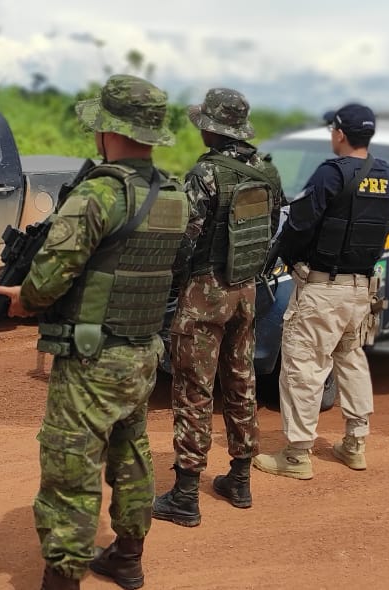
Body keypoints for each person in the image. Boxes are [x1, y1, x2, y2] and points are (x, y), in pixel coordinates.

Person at [0, 74, 191, 590]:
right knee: (131, 451)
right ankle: (127, 558)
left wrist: (25, 299)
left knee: (69, 468)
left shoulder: (96, 195)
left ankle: (63, 579)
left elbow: (50, 279)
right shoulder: (174, 194)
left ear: (108, 132)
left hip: (91, 358)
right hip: (144, 350)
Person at [252, 103, 389, 480]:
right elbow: (387, 226)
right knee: (350, 359)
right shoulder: (388, 177)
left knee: (304, 365)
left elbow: (299, 225)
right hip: (361, 290)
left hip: (324, 288)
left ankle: (297, 454)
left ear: (339, 133)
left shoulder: (329, 174)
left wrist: (285, 255)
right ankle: (355, 444)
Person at [151, 88, 284, 527]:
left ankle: (186, 494)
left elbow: (185, 241)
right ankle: (240, 479)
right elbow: (270, 230)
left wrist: (174, 281)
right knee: (240, 381)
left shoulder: (205, 174)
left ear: (211, 128)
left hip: (205, 292)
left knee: (194, 388)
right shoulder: (266, 171)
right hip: (246, 290)